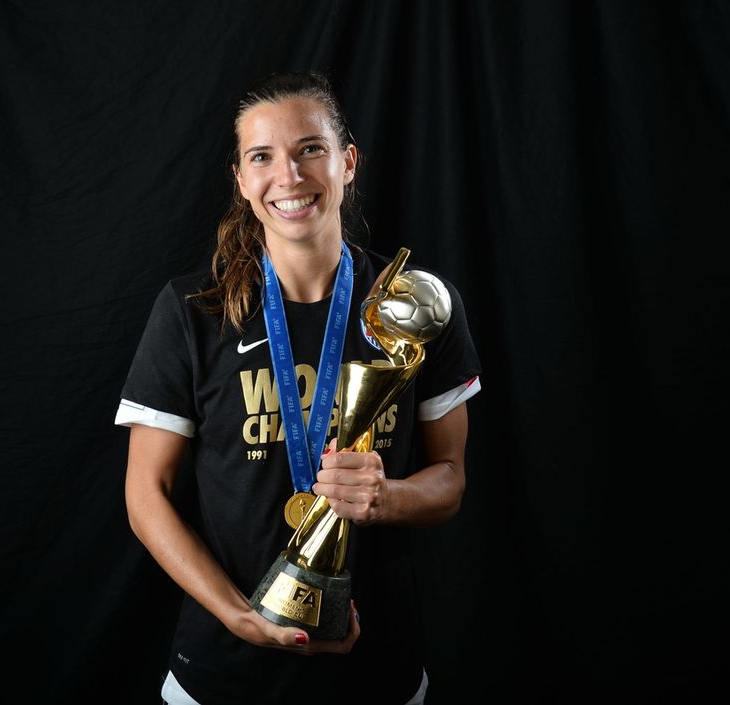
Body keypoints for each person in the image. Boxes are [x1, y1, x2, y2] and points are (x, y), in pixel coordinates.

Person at [117, 71, 482, 705]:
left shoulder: (414, 306)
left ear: (348, 161)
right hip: (223, 674)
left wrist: (386, 498)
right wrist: (239, 618)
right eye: (262, 157)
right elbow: (146, 494)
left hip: (377, 672)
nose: (288, 175)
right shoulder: (193, 311)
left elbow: (451, 478)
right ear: (241, 179)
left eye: (310, 148)